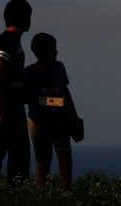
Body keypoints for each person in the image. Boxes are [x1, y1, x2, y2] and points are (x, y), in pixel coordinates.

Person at [0, 0, 33, 188]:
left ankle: (16, 188)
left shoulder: (13, 42)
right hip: (3, 104)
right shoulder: (5, 42)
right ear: (23, 18)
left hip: (13, 103)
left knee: (19, 149)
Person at [25, 32, 81, 192]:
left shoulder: (59, 67)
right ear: (42, 51)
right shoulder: (30, 73)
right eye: (53, 49)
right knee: (43, 159)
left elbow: (65, 91)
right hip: (39, 121)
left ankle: (66, 191)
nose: (56, 52)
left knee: (64, 155)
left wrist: (73, 114)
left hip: (59, 120)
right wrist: (55, 102)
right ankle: (43, 191)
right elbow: (29, 97)